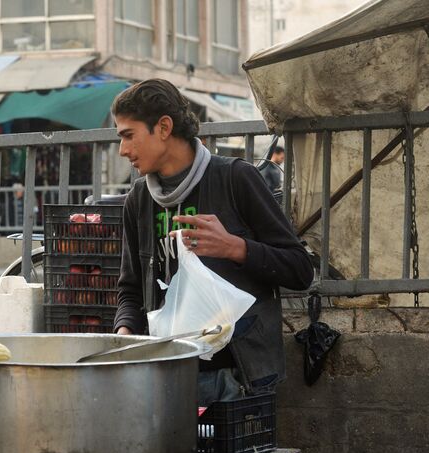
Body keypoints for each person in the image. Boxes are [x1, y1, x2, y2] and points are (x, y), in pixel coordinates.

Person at [111, 79, 313, 404]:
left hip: (238, 378)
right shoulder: (139, 199)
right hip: (167, 374)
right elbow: (131, 290)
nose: (123, 150)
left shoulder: (235, 178)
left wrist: (235, 248)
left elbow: (300, 270)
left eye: (128, 135)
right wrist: (124, 335)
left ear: (163, 127)